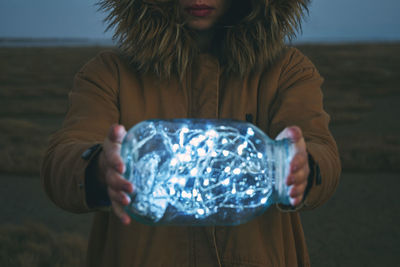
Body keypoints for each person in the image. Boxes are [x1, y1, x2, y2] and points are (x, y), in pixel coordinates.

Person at [41, 0, 341, 266]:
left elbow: (320, 148)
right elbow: (63, 156)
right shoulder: (110, 74)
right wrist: (96, 168)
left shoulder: (286, 71)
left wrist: (307, 167)